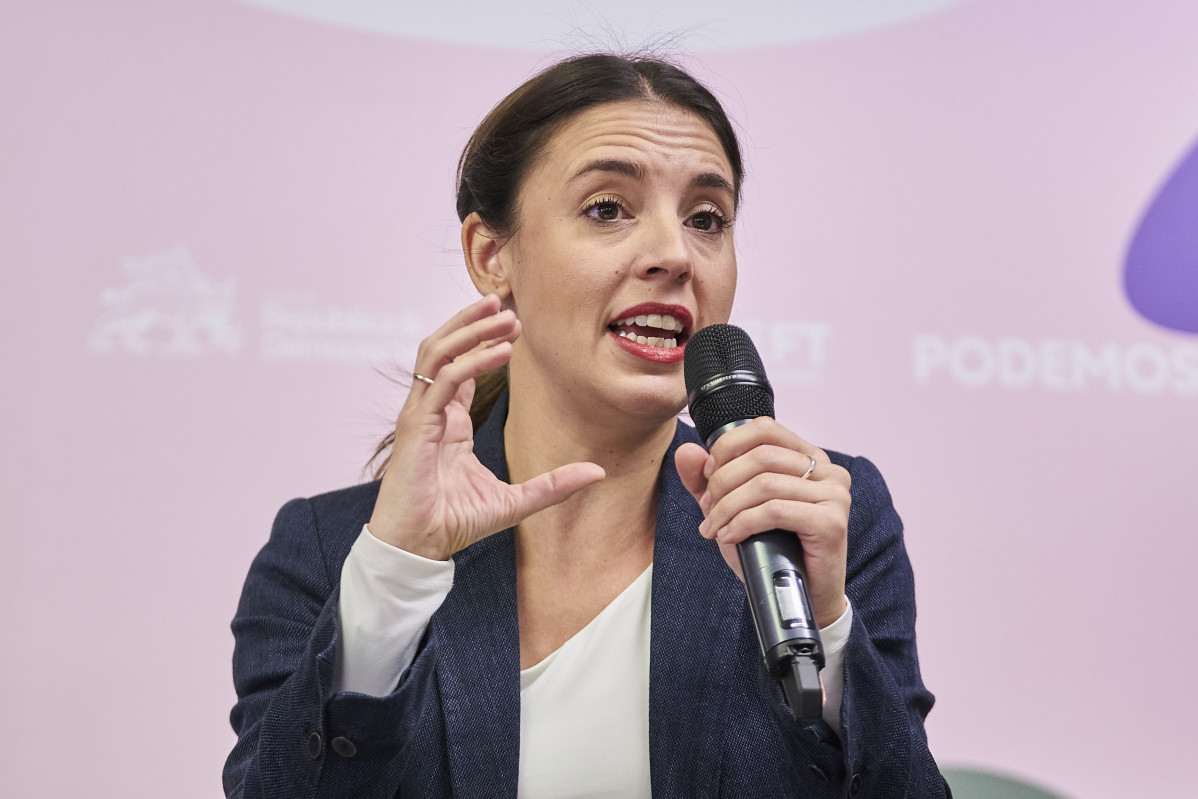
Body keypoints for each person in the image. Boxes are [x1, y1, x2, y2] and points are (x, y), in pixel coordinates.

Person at [224, 52, 948, 798]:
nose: (673, 253)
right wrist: (394, 577)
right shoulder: (334, 555)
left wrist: (824, 628)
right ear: (490, 254)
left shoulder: (817, 519)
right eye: (608, 208)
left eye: (707, 219)